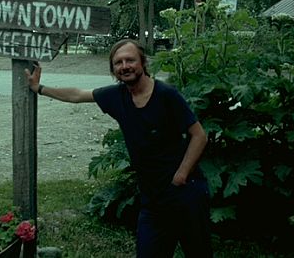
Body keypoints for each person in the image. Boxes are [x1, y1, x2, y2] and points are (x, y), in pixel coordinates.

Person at [25, 38, 212, 257]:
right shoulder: (116, 96)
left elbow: (199, 135)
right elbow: (77, 95)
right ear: (114, 69)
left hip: (185, 194)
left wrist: (181, 175)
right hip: (153, 201)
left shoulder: (165, 95)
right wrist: (39, 88)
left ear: (142, 63)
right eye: (118, 62)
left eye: (130, 60)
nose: (125, 66)